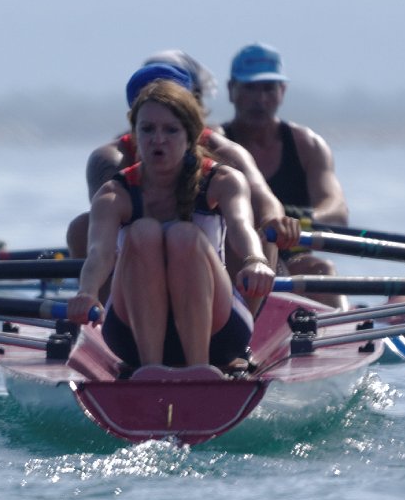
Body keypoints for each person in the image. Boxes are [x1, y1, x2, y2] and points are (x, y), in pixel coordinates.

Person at [65, 76, 276, 372]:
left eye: (171, 130)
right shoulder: (114, 194)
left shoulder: (223, 180)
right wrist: (86, 292)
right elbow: (99, 253)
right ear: (134, 136)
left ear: (191, 136)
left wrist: (255, 260)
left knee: (183, 235)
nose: (158, 139)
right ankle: (150, 370)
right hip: (130, 338)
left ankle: (200, 369)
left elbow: (242, 227)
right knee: (143, 232)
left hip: (219, 335)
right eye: (147, 129)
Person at [65, 50, 299, 311]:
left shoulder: (224, 152)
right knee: (82, 227)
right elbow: (105, 233)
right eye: (149, 125)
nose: (159, 138)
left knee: (260, 228)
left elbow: (264, 200)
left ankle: (247, 320)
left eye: (171, 124)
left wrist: (276, 223)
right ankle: (102, 313)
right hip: (137, 268)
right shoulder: (109, 158)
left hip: (207, 271)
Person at [220, 42, 350, 310]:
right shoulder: (217, 143)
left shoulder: (307, 145)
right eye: (250, 88)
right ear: (231, 90)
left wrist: (297, 221)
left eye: (268, 88)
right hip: (233, 263)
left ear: (282, 91)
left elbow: (337, 211)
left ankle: (346, 330)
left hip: (291, 262)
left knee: (322, 269)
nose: (260, 99)